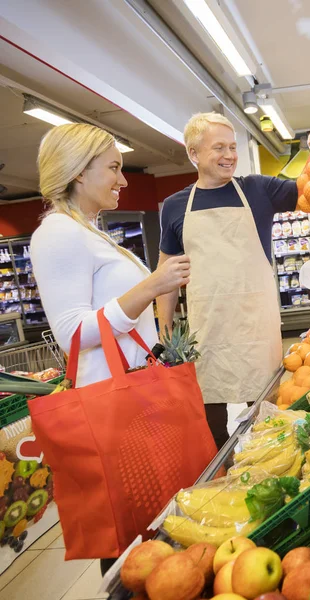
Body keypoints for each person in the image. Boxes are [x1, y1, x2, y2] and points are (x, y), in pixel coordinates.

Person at [30, 123, 189, 575]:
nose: (123, 179)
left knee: (155, 527)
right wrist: (152, 286)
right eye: (114, 168)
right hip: (115, 409)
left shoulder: (90, 231)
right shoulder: (58, 233)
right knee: (132, 536)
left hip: (138, 399)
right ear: (79, 172)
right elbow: (73, 335)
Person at [156, 112, 310, 450]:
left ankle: (268, 463)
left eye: (233, 147)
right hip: (207, 329)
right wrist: (165, 334)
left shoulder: (258, 189)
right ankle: (220, 476)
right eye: (218, 147)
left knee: (267, 414)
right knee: (211, 421)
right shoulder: (175, 207)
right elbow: (165, 275)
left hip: (256, 324)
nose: (229, 155)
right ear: (193, 154)